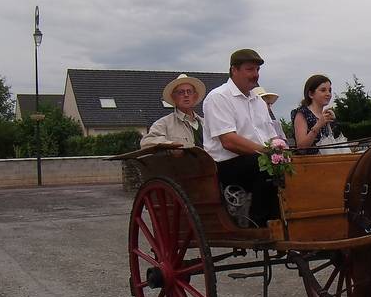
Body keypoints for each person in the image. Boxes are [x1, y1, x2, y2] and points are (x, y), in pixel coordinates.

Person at [202, 49, 281, 226]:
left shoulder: (258, 101)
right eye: (250, 69)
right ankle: (257, 221)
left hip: (255, 159)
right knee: (264, 167)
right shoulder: (219, 97)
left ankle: (289, 220)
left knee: (297, 167)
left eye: (257, 70)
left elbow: (272, 136)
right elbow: (229, 141)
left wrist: (281, 150)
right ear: (234, 70)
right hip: (226, 166)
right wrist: (267, 152)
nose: (255, 75)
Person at [140, 74, 206, 148]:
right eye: (181, 92)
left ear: (195, 96)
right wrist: (170, 145)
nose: (186, 95)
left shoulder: (206, 123)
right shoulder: (163, 124)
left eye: (189, 91)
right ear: (173, 97)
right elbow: (146, 142)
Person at [291, 74, 338, 155]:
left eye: (329, 90)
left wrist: (335, 123)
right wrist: (318, 125)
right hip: (309, 164)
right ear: (311, 94)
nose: (328, 94)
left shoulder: (327, 116)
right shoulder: (302, 113)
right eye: (323, 90)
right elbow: (301, 148)